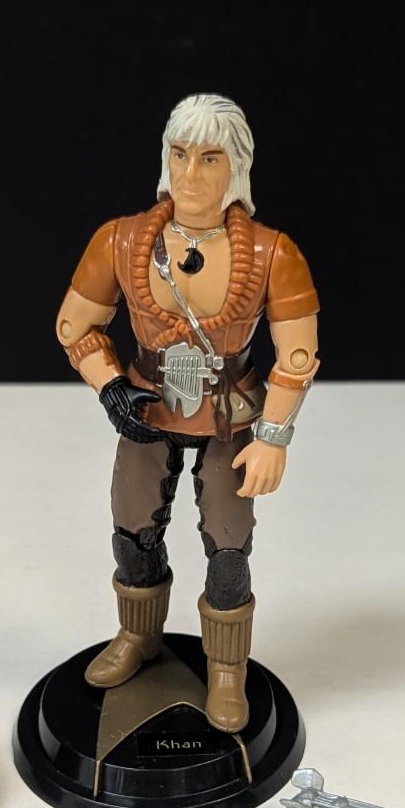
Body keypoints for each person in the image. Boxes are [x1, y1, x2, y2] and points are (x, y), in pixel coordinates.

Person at [55, 93, 319, 732]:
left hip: (231, 414)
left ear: (238, 167)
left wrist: (273, 436)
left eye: (210, 158)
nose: (191, 173)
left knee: (228, 543)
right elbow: (74, 325)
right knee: (131, 527)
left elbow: (297, 355)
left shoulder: (271, 253)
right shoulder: (121, 241)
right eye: (179, 154)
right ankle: (138, 635)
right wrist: (111, 388)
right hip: (147, 406)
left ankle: (226, 666)